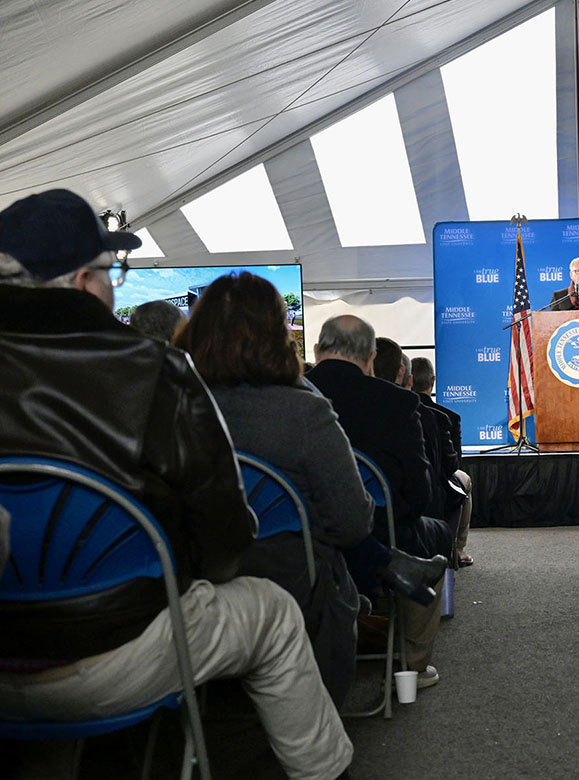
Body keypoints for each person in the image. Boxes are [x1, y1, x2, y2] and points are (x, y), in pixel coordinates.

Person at [0, 189, 353, 779]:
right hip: (120, 653)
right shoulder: (154, 373)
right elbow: (223, 544)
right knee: (274, 612)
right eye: (111, 275)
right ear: (85, 281)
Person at [173, 271, 375, 706]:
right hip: (296, 589)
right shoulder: (303, 412)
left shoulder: (166, 408)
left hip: (186, 589)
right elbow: (353, 523)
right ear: (277, 335)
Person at [307, 316, 453, 690]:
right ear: (371, 358)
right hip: (383, 534)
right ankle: (412, 665)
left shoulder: (289, 399)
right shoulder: (398, 403)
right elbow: (421, 496)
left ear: (317, 352)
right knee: (434, 534)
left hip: (302, 540)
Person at [412, 356, 475, 567]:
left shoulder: (387, 413)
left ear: (407, 379)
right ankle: (458, 549)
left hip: (403, 486)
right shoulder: (447, 417)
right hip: (438, 487)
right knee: (464, 480)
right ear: (433, 381)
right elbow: (453, 466)